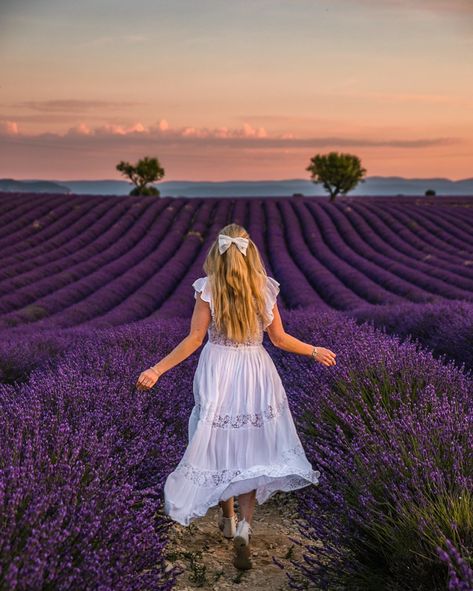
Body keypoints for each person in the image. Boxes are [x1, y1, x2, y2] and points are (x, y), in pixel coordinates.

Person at [135, 223, 336, 570]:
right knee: (252, 445)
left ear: (217, 252)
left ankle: (226, 519)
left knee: (216, 441)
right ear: (250, 252)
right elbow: (281, 340)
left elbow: (194, 340)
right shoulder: (263, 289)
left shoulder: (208, 289)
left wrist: (156, 369)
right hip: (256, 370)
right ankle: (244, 527)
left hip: (218, 368)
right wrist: (314, 350)